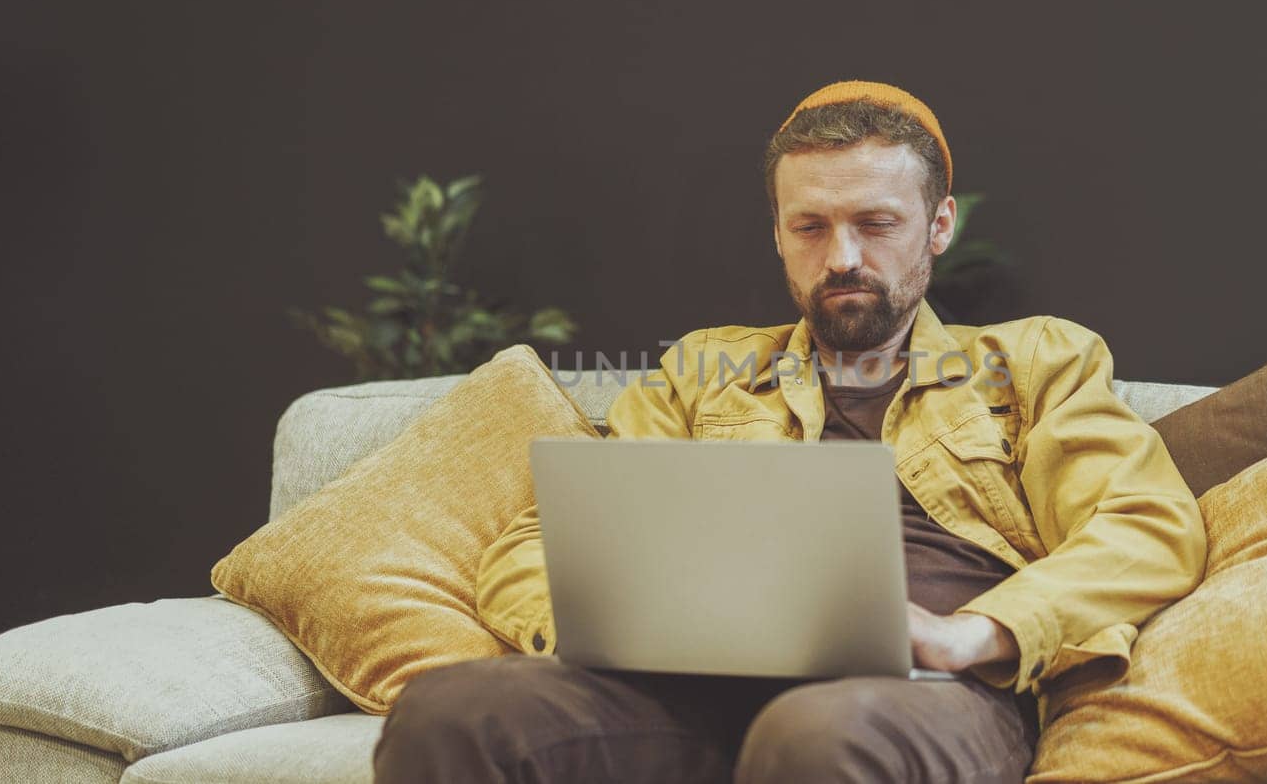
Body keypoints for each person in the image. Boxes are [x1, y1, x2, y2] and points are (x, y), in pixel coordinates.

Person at [372, 81, 1207, 783]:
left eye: (876, 223)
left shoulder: (1037, 359)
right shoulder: (702, 370)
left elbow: (1146, 525)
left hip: (925, 695)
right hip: (691, 688)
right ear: (778, 233)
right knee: (451, 709)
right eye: (810, 226)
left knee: (817, 733)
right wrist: (609, 631)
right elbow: (540, 541)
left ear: (938, 225)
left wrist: (970, 635)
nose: (841, 254)